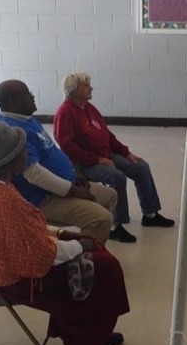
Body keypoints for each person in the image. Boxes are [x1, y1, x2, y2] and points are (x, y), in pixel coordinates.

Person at [0, 122, 136, 345]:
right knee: (104, 267)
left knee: (95, 251)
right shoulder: (1, 200)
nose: (27, 154)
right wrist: (76, 245)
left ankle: (96, 332)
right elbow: (40, 259)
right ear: (10, 160)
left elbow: (25, 236)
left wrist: (64, 235)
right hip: (11, 278)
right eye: (23, 151)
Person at [52, 72, 173, 243]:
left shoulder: (89, 108)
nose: (90, 88)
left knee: (141, 167)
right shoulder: (65, 113)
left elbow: (107, 135)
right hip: (84, 163)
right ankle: (116, 225)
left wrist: (126, 153)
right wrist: (96, 160)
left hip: (105, 154)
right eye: (86, 85)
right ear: (73, 90)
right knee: (116, 177)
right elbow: (68, 147)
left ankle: (150, 214)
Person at [0, 79, 119, 244]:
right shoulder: (14, 131)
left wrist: (75, 172)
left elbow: (51, 150)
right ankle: (84, 257)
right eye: (27, 94)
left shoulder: (26, 119)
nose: (32, 96)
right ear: (13, 102)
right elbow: (34, 175)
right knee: (101, 219)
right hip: (42, 197)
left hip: (65, 184)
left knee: (110, 196)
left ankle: (89, 246)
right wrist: (73, 191)